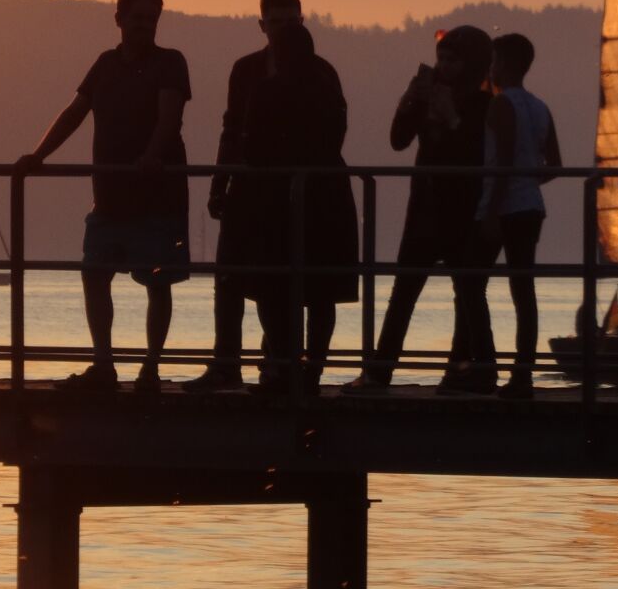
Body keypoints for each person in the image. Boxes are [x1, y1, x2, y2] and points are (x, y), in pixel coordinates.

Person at [16, 0, 191, 392]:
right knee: (95, 275)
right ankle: (104, 364)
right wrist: (38, 155)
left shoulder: (171, 63)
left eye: (151, 19)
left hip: (158, 197)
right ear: (119, 19)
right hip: (110, 198)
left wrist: (151, 155)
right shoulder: (105, 64)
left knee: (158, 281)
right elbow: (75, 112)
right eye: (137, 18)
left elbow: (170, 116)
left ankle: (150, 367)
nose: (145, 26)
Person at [345, 25, 493, 395]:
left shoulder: (485, 104)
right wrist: (410, 101)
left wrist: (451, 117)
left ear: (472, 64)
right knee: (404, 291)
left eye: (452, 60)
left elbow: (472, 152)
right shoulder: (429, 96)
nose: (443, 66)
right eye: (441, 58)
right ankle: (380, 372)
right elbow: (398, 140)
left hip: (462, 210)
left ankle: (466, 371)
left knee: (468, 294)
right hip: (424, 210)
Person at [184, 0, 305, 393]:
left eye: (292, 22)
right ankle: (226, 363)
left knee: (281, 282)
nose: (285, 30)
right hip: (247, 186)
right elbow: (231, 127)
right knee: (229, 276)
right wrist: (220, 183)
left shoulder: (316, 72)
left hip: (290, 191)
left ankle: (279, 365)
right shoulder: (245, 69)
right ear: (262, 26)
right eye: (277, 23)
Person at [237, 22, 357, 393]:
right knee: (321, 292)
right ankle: (313, 371)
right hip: (330, 194)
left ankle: (285, 368)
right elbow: (338, 134)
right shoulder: (328, 86)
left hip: (277, 196)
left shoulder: (266, 90)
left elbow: (251, 148)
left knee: (271, 287)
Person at [468, 32, 561, 400]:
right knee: (523, 290)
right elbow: (554, 164)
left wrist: (491, 212)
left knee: (472, 282)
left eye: (493, 61)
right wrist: (528, 179)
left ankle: (485, 366)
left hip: (502, 205)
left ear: (503, 64)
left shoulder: (500, 104)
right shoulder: (540, 107)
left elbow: (503, 161)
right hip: (531, 206)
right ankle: (522, 372)